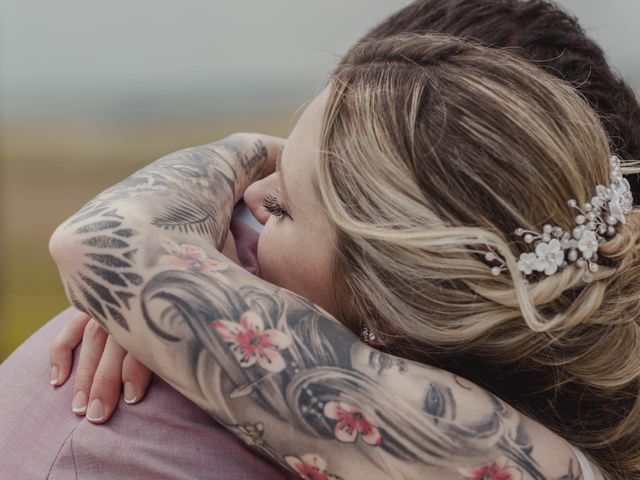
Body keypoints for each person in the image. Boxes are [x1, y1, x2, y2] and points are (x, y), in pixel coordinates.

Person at [1, 0, 638, 478]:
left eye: (281, 207)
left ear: (388, 317)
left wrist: (180, 267)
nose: (245, 207)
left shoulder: (475, 443)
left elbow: (98, 244)